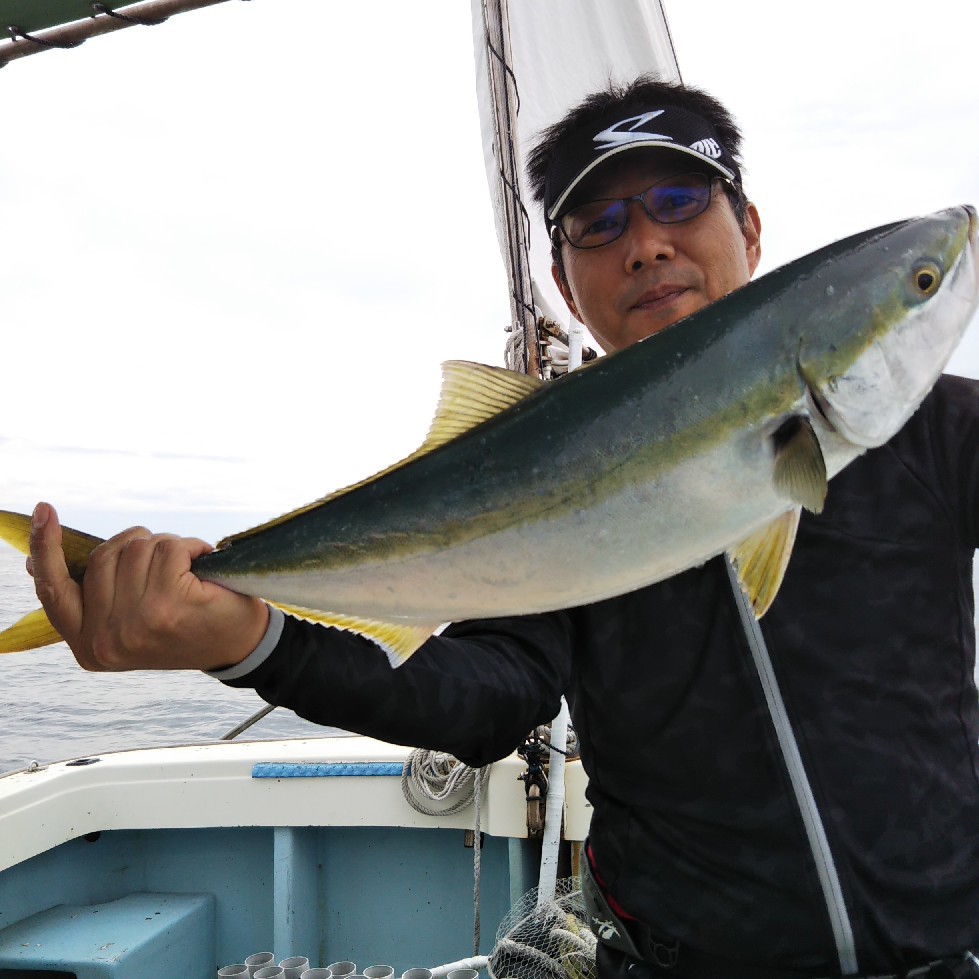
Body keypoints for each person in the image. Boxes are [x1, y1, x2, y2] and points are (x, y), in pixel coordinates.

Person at [26, 77, 979, 979]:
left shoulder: (939, 435)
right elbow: (475, 700)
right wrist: (247, 636)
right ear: (567, 288)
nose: (644, 244)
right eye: (598, 225)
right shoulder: (532, 453)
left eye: (679, 201)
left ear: (752, 230)